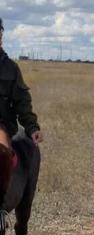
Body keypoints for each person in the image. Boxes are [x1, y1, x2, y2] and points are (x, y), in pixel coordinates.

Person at [0, 18, 43, 150]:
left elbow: (22, 102)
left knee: (2, 155)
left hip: (2, 125)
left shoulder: (11, 68)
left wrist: (32, 127)